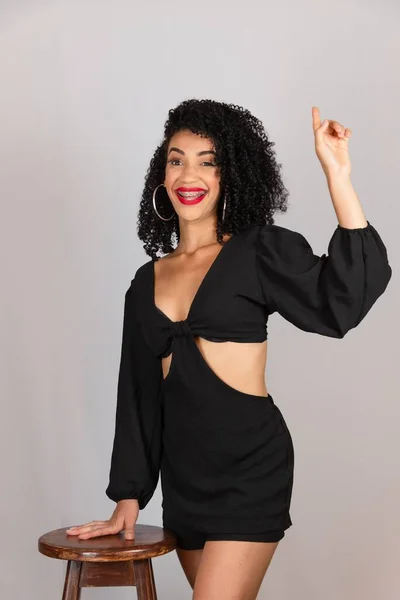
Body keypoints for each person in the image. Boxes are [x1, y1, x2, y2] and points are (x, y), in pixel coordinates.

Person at [66, 99, 392, 598]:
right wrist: (129, 496)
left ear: (230, 173)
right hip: (184, 481)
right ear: (162, 172)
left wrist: (338, 175)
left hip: (250, 469)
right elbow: (137, 392)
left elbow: (342, 300)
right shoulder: (144, 282)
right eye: (176, 159)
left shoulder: (258, 252)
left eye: (207, 160)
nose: (188, 173)